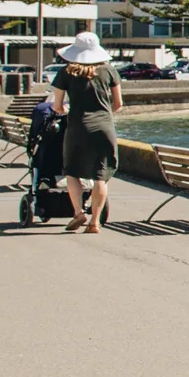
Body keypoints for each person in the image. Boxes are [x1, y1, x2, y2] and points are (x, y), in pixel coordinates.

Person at [48, 32, 122, 233]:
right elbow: (118, 104)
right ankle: (95, 222)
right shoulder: (109, 71)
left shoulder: (66, 72)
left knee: (72, 172)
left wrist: (65, 109)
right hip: (104, 127)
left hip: (77, 127)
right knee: (100, 175)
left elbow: (57, 106)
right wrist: (103, 114)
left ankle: (78, 213)